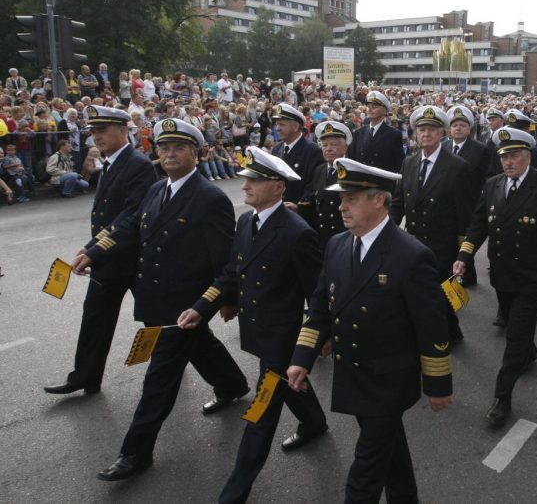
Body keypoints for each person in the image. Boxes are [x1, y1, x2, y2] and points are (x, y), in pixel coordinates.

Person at [76, 118, 250, 482]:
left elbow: (224, 259)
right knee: (200, 344)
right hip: (155, 297)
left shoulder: (210, 198)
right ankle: (232, 384)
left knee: (159, 379)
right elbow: (130, 228)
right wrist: (95, 251)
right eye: (164, 148)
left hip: (187, 302)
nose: (170, 154)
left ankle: (135, 451)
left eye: (179, 148)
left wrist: (226, 300)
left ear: (198, 154)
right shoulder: (157, 190)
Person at [286, 158, 453, 503]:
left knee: (365, 472)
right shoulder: (336, 244)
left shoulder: (411, 255)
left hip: (388, 380)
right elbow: (320, 307)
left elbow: (431, 325)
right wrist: (302, 357)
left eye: (352, 199)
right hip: (353, 373)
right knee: (390, 451)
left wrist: (437, 385)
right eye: (341, 198)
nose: (342, 206)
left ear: (379, 200)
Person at [178, 147, 328, 503]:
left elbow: (317, 294)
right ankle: (316, 423)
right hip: (257, 331)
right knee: (288, 385)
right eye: (246, 177)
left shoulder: (297, 232)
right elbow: (231, 271)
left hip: (282, 336)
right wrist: (202, 307)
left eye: (254, 179)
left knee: (261, 411)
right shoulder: (247, 221)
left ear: (278, 187)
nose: (245, 185)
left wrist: (319, 339)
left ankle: (236, 489)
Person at [453, 127, 537, 427]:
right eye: (504, 156)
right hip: (502, 273)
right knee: (514, 326)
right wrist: (464, 256)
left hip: (532, 276)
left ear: (528, 156)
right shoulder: (493, 184)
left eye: (515, 156)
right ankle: (528, 352)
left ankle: (502, 398)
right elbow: (479, 223)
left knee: (515, 335)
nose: (508, 162)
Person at [44, 106, 157, 397]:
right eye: (93, 132)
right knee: (95, 316)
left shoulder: (138, 164)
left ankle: (220, 378)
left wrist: (95, 250)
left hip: (134, 257)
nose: (97, 136)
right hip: (110, 258)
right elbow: (109, 215)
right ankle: (85, 377)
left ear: (123, 131)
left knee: (160, 318)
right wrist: (92, 247)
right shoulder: (110, 163)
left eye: (102, 130)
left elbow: (132, 216)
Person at [391, 105, 473, 344]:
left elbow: (464, 214)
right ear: (415, 133)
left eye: (431, 129)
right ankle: (448, 332)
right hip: (412, 241)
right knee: (423, 291)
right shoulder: (409, 162)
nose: (425, 134)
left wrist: (462, 253)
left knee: (435, 292)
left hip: (442, 244)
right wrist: (387, 229)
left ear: (442, 133)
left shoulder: (457, 166)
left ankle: (442, 336)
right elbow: (398, 202)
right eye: (421, 129)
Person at [442, 105, 491, 287]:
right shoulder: (443, 146)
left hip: (470, 203)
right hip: (447, 204)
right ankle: (460, 276)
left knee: (465, 241)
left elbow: (488, 178)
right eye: (455, 125)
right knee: (449, 241)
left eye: (462, 125)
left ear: (469, 129)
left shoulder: (481, 149)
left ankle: (467, 275)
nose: (458, 128)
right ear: (449, 129)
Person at [297, 120, 352, 244]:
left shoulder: (352, 170)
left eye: (333, 144)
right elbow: (313, 198)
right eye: (324, 145)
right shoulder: (320, 170)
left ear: (345, 147)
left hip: (344, 237)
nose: (328, 149)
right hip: (321, 236)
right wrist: (298, 207)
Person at [270, 103, 325, 208]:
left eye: (282, 124)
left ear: (295, 127)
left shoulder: (313, 151)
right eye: (277, 124)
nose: (277, 128)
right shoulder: (277, 149)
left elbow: (314, 186)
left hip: (300, 214)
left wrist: (300, 207)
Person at [348, 91, 405, 173]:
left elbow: (399, 164)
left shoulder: (393, 134)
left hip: (382, 183)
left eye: (374, 106)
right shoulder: (358, 133)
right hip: (359, 182)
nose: (370, 109)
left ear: (384, 111)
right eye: (368, 106)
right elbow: (351, 160)